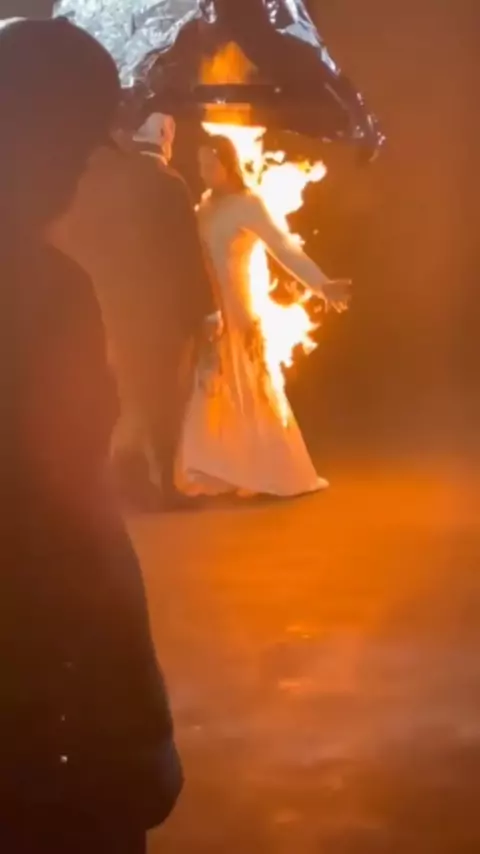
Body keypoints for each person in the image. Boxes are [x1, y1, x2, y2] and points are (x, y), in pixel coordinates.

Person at [0, 17, 182, 853]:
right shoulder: (43, 291)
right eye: (71, 151)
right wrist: (134, 731)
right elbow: (72, 515)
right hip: (47, 710)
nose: (75, 177)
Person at [52, 109, 218, 512]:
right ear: (163, 136)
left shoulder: (106, 180)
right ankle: (166, 486)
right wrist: (206, 311)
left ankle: (127, 481)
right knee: (162, 399)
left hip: (112, 309)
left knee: (126, 396)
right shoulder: (168, 182)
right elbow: (186, 254)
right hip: (160, 317)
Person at [178, 135, 351, 497]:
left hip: (239, 310)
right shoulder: (206, 204)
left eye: (210, 165)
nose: (204, 172)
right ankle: (217, 467)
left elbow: (283, 247)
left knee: (249, 389)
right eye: (200, 165)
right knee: (211, 388)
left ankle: (266, 470)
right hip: (210, 309)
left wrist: (322, 285)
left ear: (228, 164)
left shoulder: (248, 204)